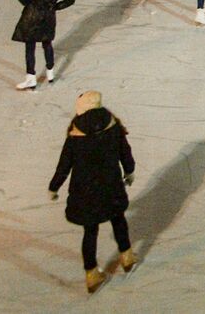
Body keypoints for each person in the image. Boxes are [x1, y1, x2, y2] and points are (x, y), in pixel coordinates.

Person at [48, 91, 138, 293]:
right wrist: (129, 171)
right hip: (111, 186)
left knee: (90, 230)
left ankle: (91, 274)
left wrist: (54, 187)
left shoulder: (75, 133)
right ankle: (127, 257)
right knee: (118, 220)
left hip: (85, 192)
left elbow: (64, 166)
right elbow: (125, 152)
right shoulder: (112, 125)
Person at [12, 0, 75, 90]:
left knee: (30, 46)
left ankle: (31, 78)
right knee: (47, 43)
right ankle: (50, 72)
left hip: (32, 16)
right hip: (48, 16)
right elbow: (70, 0)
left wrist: (30, 6)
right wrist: (55, 7)